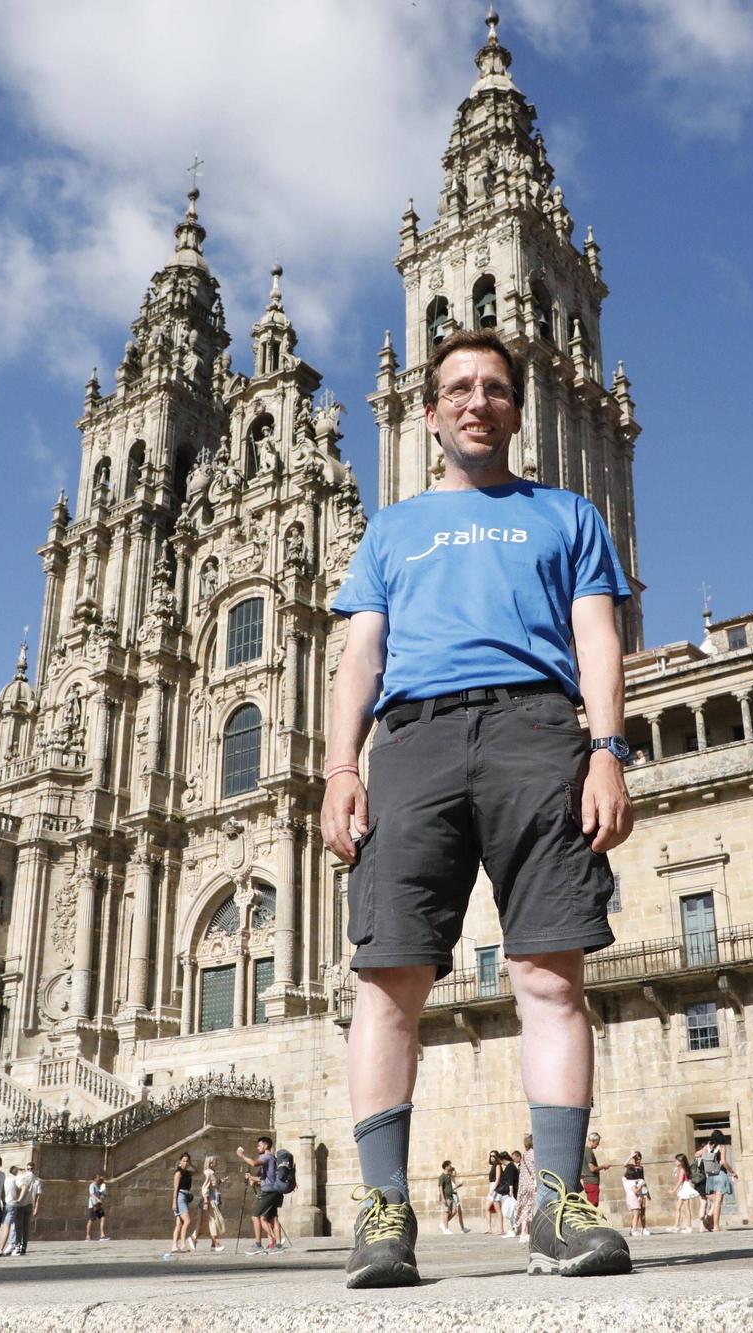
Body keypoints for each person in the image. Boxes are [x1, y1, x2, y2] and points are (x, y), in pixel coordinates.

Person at [324, 328, 635, 1287]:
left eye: (494, 387)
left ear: (516, 405)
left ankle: (558, 1202)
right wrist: (341, 766)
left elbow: (598, 636)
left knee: (550, 975)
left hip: (536, 732)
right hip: (412, 741)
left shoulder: (569, 514)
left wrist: (608, 749)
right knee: (388, 981)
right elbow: (361, 656)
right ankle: (384, 1212)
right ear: (429, 412)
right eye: (456, 386)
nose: (476, 401)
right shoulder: (391, 528)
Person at [237, 1136, 281, 1255]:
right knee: (272, 1218)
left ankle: (258, 1244)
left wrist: (242, 1155)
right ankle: (277, 1245)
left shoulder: (266, 1157)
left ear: (266, 1146)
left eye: (259, 1145)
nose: (257, 1148)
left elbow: (254, 1163)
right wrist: (252, 1178)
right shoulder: (273, 1158)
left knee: (255, 1216)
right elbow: (266, 1178)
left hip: (268, 1192)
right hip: (274, 1191)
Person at [698, 1131, 734, 1231]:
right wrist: (732, 1171)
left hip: (710, 1176)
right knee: (718, 1201)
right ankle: (716, 1226)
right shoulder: (722, 1147)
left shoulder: (707, 1147)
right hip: (720, 1174)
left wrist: (705, 1158)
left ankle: (709, 1222)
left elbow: (697, 1154)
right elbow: (723, 1162)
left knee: (716, 1201)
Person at [2, 1161, 39, 1255]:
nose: (29, 1171)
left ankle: (18, 1246)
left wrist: (18, 1200)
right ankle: (19, 1246)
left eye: (31, 1169)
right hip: (25, 1205)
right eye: (28, 1169)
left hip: (23, 1205)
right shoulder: (36, 1180)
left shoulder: (23, 1178)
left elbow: (37, 1196)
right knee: (21, 1227)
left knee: (19, 1227)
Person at [514, 1135, 539, 1240]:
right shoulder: (531, 1154)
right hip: (529, 1183)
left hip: (525, 1184)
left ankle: (525, 1232)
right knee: (528, 1206)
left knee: (527, 1207)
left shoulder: (525, 1154)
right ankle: (524, 1232)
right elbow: (532, 1168)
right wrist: (536, 1179)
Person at [199, 1156, 225, 1252]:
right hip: (210, 1200)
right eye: (215, 1161)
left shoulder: (211, 1173)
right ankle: (216, 1242)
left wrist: (220, 1181)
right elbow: (204, 1188)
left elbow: (213, 1185)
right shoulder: (208, 1173)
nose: (217, 1162)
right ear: (210, 1163)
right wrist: (206, 1201)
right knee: (214, 1220)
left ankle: (214, 1243)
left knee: (214, 1220)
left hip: (214, 1199)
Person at [621, 1151, 649, 1236]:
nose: (638, 1161)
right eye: (636, 1159)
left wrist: (647, 1192)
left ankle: (644, 1228)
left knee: (642, 1209)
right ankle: (633, 1228)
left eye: (639, 1159)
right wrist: (630, 1156)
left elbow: (643, 1180)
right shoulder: (631, 1167)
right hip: (635, 1189)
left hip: (641, 1189)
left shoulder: (641, 1168)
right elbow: (624, 1164)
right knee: (636, 1210)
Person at [581, 1132, 611, 1208]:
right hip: (592, 1182)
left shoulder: (585, 1150)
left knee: (592, 1205)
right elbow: (592, 1169)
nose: (598, 1145)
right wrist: (603, 1166)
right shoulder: (588, 1151)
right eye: (597, 1143)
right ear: (593, 1141)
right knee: (593, 1206)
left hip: (588, 1182)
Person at [671, 1153, 698, 1233]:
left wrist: (674, 1190)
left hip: (684, 1187)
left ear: (681, 1161)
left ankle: (688, 1226)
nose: (675, 1161)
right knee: (678, 1208)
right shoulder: (679, 1168)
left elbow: (680, 1181)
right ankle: (676, 1226)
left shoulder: (682, 1169)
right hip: (683, 1187)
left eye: (676, 1160)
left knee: (686, 1208)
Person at [495, 1152, 520, 1237]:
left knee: (510, 1211)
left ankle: (512, 1230)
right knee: (510, 1211)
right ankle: (512, 1229)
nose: (500, 1163)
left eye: (500, 1160)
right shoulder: (512, 1166)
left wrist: (510, 1191)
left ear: (503, 1159)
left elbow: (510, 1181)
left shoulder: (509, 1167)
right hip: (513, 1192)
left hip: (511, 1193)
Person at [437, 1160, 465, 1234]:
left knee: (454, 1211)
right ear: (446, 1167)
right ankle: (446, 1229)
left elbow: (454, 1174)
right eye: (449, 1165)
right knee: (446, 1212)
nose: (450, 1166)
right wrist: (443, 1198)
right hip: (446, 1197)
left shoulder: (448, 1176)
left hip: (451, 1196)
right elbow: (440, 1188)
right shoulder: (442, 1177)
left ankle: (443, 1224)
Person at [483, 1151, 504, 1234]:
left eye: (494, 1156)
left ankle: (501, 1229)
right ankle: (489, 1228)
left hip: (496, 1188)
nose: (492, 1157)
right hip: (491, 1187)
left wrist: (493, 1189)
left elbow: (498, 1178)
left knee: (498, 1209)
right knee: (486, 1208)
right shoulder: (493, 1166)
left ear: (497, 1157)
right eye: (491, 1156)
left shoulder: (498, 1165)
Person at [86, 1173, 110, 1243]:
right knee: (91, 1219)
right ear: (94, 1179)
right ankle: (87, 1236)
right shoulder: (92, 1185)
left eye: (99, 1178)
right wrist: (97, 1199)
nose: (99, 1179)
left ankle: (102, 1236)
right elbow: (91, 1194)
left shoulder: (97, 1186)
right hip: (93, 1205)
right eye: (98, 1178)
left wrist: (102, 1193)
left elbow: (100, 1193)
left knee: (102, 1217)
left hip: (98, 1205)